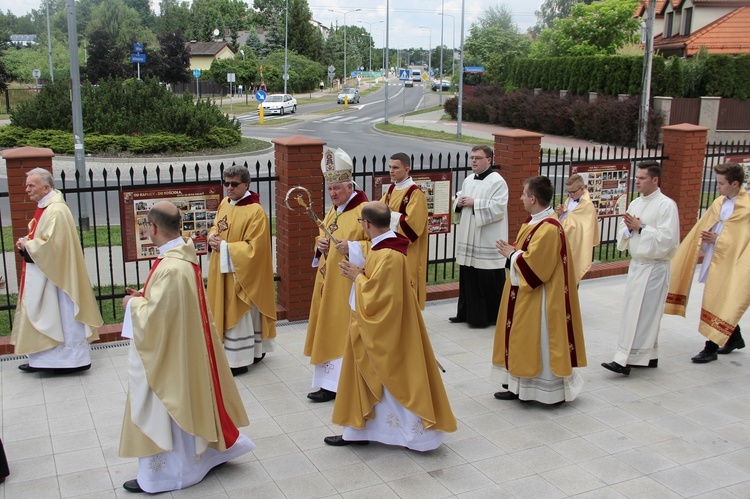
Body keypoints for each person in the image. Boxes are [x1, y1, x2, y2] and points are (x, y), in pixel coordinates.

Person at [120, 201, 254, 494]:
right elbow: (167, 308)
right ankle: (200, 457)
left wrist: (133, 305)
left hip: (170, 355)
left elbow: (155, 320)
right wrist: (146, 297)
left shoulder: (172, 267)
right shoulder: (183, 258)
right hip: (184, 347)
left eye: (146, 226)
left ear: (154, 228)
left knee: (166, 401)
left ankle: (169, 474)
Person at [327, 201, 456, 450]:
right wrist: (361, 272)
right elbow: (378, 283)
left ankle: (416, 436)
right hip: (370, 325)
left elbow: (381, 299)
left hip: (386, 332)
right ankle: (357, 432)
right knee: (368, 377)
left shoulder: (389, 254)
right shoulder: (382, 248)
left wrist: (358, 277)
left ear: (366, 224)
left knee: (392, 378)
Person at [493, 176, 587, 404]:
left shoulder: (548, 228)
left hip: (542, 300)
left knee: (538, 342)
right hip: (526, 295)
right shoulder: (536, 222)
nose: (521, 198)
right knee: (521, 339)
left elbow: (538, 268)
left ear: (533, 198)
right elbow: (530, 254)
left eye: (524, 194)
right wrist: (517, 252)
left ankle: (544, 391)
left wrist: (511, 254)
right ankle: (518, 386)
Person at [12, 168, 102, 374]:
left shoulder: (57, 210)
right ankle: (42, 360)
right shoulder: (46, 206)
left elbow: (54, 246)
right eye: (26, 185)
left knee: (63, 317)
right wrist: (28, 242)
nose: (27, 189)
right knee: (50, 315)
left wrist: (29, 246)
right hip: (49, 274)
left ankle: (71, 361)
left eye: (31, 185)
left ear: (46, 186)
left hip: (60, 279)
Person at [665, 162, 749, 363]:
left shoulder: (746, 208)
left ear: (735, 183)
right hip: (716, 258)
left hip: (735, 263)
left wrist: (718, 240)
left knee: (721, 299)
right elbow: (707, 225)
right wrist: (705, 238)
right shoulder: (719, 203)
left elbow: (744, 240)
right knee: (721, 299)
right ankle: (734, 338)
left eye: (721, 183)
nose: (717, 187)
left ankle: (710, 348)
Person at [601, 161, 680, 376]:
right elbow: (623, 232)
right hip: (638, 266)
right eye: (637, 177)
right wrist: (628, 230)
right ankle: (649, 356)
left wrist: (641, 228)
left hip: (654, 267)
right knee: (635, 311)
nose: (637, 181)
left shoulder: (666, 205)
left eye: (642, 178)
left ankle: (623, 360)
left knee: (644, 313)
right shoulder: (635, 203)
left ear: (655, 180)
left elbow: (668, 239)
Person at [304, 148, 369, 403]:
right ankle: (326, 382)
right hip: (327, 282)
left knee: (341, 329)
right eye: (330, 189)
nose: (333, 194)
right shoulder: (334, 210)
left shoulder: (365, 211)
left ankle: (342, 382)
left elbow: (378, 245)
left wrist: (352, 247)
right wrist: (319, 244)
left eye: (337, 189)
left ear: (350, 185)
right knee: (328, 327)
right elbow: (325, 235)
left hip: (347, 284)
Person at [207, 165, 276, 376]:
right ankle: (244, 352)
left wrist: (226, 248)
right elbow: (215, 226)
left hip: (242, 277)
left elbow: (256, 249)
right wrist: (211, 237)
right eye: (226, 183)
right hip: (223, 270)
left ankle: (240, 359)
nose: (229, 188)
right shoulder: (224, 203)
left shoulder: (255, 212)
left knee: (242, 313)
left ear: (246, 184)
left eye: (234, 184)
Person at [450, 145, 509, 328]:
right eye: (472, 157)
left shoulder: (497, 181)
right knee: (469, 275)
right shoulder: (468, 179)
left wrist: (475, 202)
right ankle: (466, 313)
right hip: (469, 235)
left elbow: (499, 207)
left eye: (478, 158)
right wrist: (458, 202)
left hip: (486, 238)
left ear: (489, 160)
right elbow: (460, 198)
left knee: (487, 278)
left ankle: (489, 316)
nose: (473, 161)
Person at [380, 152, 428, 309]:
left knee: (407, 283)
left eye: (395, 167)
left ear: (407, 169)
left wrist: (390, 214)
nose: (391, 171)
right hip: (390, 247)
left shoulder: (415, 193)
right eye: (390, 167)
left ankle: (410, 323)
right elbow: (381, 209)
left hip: (408, 250)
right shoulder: (392, 188)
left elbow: (413, 226)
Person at [556, 173, 600, 283]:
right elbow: (569, 218)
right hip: (565, 242)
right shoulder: (570, 200)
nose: (570, 195)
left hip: (576, 244)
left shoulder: (587, 206)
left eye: (572, 192)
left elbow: (582, 227)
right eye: (568, 192)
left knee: (571, 278)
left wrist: (564, 220)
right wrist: (561, 214)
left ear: (582, 189)